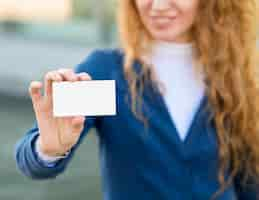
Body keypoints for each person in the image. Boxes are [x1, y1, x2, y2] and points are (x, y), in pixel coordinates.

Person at [14, 0, 259, 199]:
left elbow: (250, 183)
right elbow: (33, 161)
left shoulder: (235, 76)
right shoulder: (106, 71)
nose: (159, 5)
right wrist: (48, 150)